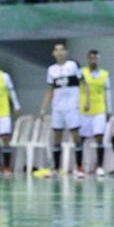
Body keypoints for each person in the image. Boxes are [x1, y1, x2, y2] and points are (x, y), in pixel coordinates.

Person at [39, 43, 90, 178]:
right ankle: (56, 168)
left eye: (62, 50)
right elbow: (49, 90)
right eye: (56, 50)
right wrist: (43, 108)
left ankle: (79, 168)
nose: (59, 52)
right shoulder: (51, 70)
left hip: (72, 107)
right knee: (57, 137)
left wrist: (87, 101)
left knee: (76, 136)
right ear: (53, 53)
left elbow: (84, 83)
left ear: (66, 52)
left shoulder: (73, 66)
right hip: (57, 108)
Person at [79, 50, 112, 177]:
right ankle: (81, 166)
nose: (93, 60)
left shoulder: (104, 74)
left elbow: (107, 92)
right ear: (87, 59)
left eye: (95, 58)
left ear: (98, 59)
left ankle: (99, 166)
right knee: (82, 138)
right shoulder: (81, 73)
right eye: (91, 58)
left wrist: (109, 110)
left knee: (99, 137)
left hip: (99, 109)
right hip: (84, 110)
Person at [0, 69, 21, 175]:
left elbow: (11, 91)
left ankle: (7, 166)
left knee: (5, 138)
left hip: (4, 112)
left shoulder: (4, 76)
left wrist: (16, 106)